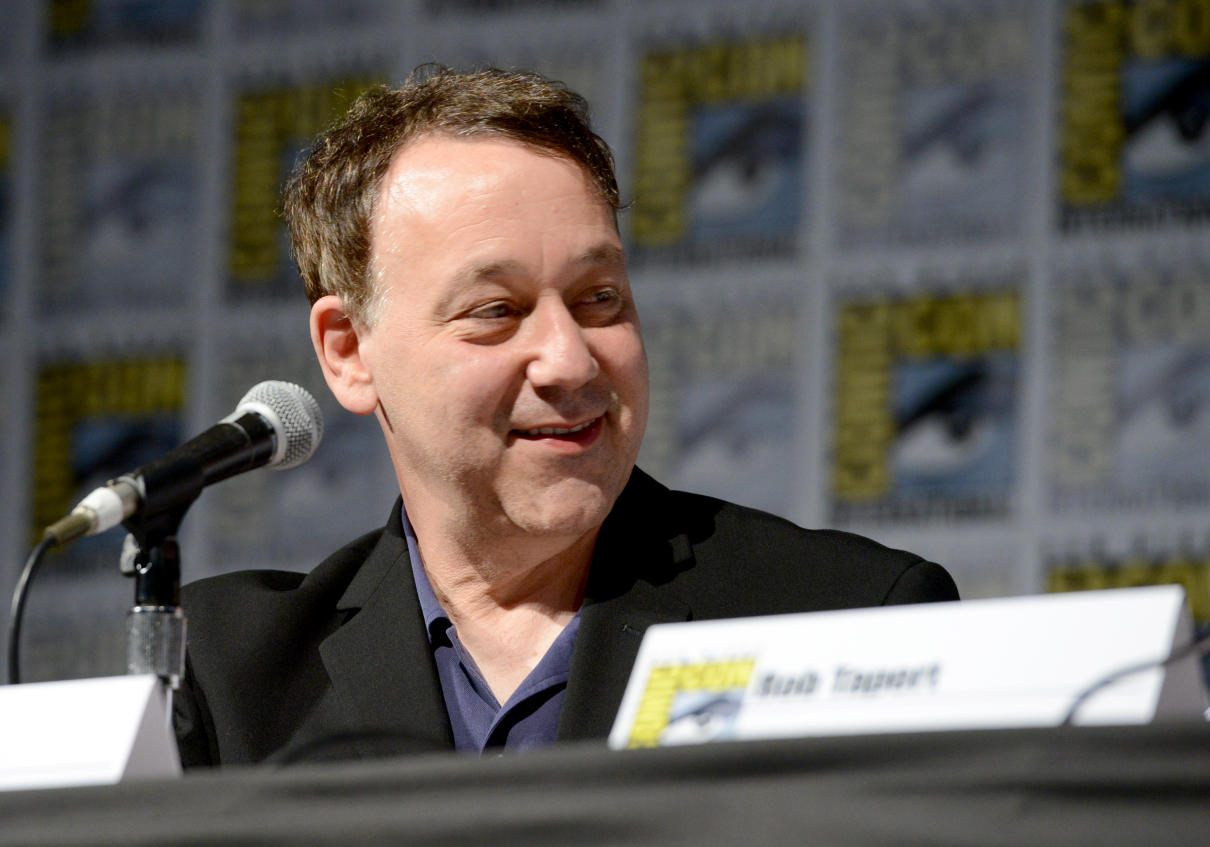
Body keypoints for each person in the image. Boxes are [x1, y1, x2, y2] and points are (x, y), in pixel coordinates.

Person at [172, 67, 958, 767]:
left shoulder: (847, 617)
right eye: (497, 310)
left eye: (599, 299)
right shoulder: (227, 670)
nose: (572, 360)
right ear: (348, 351)